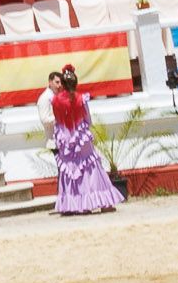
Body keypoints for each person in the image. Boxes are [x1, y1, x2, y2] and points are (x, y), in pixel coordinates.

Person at [47, 67, 125, 216]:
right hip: (81, 137)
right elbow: (88, 119)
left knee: (70, 170)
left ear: (62, 83)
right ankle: (102, 202)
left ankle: (76, 204)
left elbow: (57, 119)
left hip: (65, 138)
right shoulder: (81, 99)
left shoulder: (55, 101)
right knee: (90, 168)